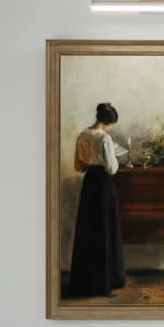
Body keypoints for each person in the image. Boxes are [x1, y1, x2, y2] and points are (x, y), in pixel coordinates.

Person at [66, 102, 125, 297]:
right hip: (104, 186)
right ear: (108, 122)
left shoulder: (82, 136)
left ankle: (86, 281)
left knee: (89, 229)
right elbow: (112, 168)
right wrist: (115, 156)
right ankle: (105, 281)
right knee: (105, 229)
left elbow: (78, 166)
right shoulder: (104, 138)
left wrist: (90, 162)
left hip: (90, 184)